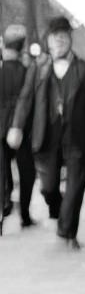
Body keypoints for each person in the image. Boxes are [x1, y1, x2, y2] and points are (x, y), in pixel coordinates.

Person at [7, 16, 85, 250]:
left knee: (75, 186)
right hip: (47, 137)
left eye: (63, 35)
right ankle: (61, 212)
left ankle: (67, 232)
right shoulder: (38, 69)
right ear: (48, 41)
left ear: (70, 39)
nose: (59, 40)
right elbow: (25, 98)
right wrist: (17, 126)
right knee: (48, 187)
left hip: (79, 137)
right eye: (55, 36)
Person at [1, 24, 36, 229]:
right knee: (27, 172)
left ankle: (4, 207)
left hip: (1, 129)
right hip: (23, 129)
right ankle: (25, 215)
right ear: (22, 47)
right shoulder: (26, 72)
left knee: (2, 171)